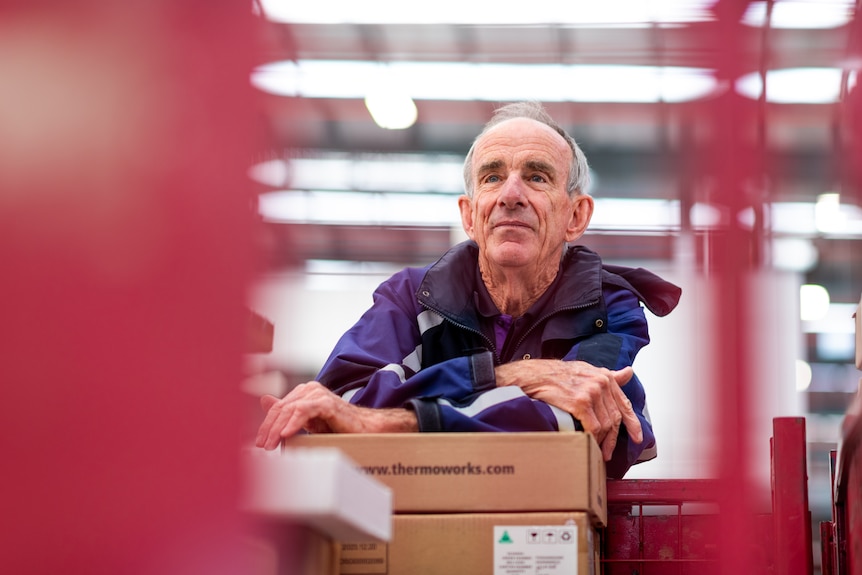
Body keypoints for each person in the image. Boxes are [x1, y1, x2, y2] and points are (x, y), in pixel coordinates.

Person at [255, 101, 681, 478]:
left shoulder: (610, 306)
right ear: (470, 214)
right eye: (493, 177)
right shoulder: (412, 296)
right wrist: (509, 377)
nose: (510, 195)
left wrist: (383, 423)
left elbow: (576, 426)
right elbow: (341, 401)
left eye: (536, 176)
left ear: (576, 215)